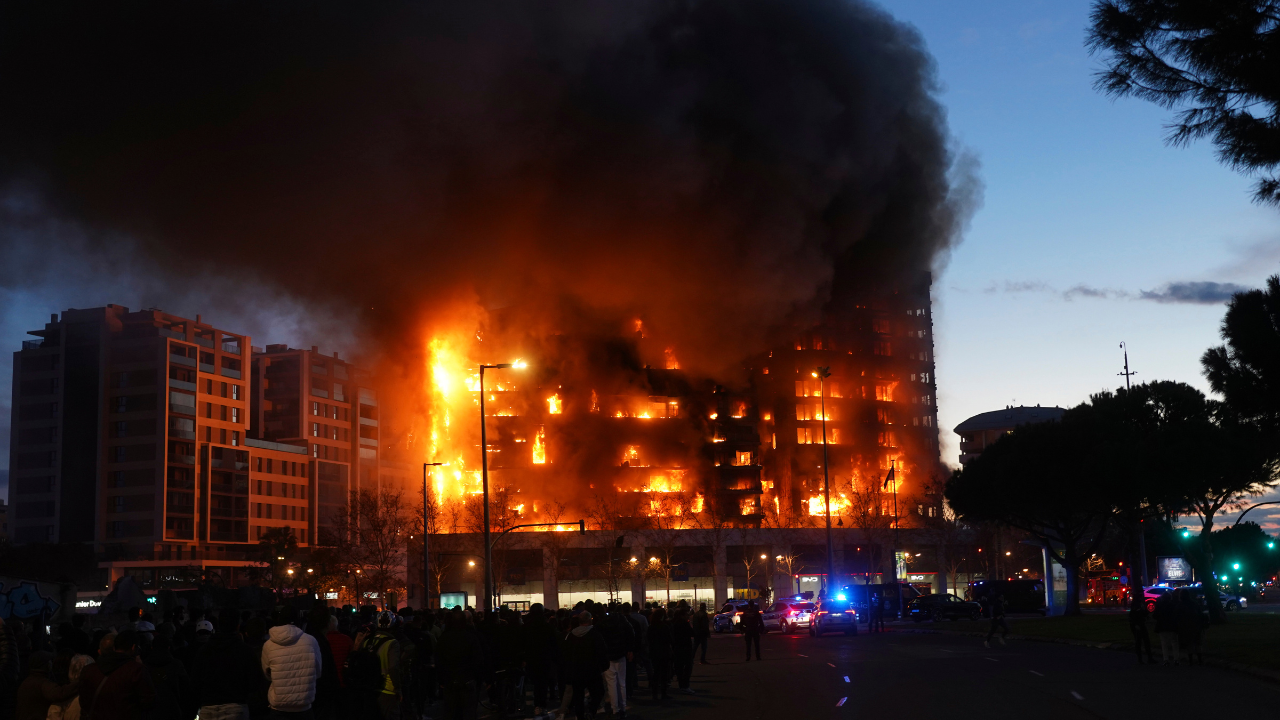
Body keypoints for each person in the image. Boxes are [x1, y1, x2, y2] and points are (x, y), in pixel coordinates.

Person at [193, 608, 263, 720]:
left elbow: (195, 681)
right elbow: (255, 682)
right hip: (236, 707)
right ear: (237, 626)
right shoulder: (245, 651)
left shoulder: (203, 651)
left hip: (207, 708)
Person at [260, 606, 323, 719]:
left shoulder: (268, 645)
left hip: (278, 706)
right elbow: (317, 672)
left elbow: (267, 675)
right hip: (304, 705)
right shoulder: (310, 641)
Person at [78, 630, 155, 720]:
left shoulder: (88, 670)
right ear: (134, 648)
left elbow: (83, 700)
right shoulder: (136, 670)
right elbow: (149, 701)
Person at [351, 611, 401, 720]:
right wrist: (397, 688)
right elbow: (393, 667)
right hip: (387, 689)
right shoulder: (392, 643)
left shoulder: (367, 640)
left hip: (369, 687)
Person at [435, 610, 481, 720]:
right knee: (468, 712)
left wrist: (441, 680)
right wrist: (478, 678)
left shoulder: (444, 638)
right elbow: (478, 660)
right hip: (467, 680)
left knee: (450, 712)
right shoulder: (471, 638)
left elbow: (439, 660)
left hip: (450, 681)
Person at [141, 633, 194, 720]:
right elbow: (186, 689)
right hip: (173, 710)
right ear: (169, 647)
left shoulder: (144, 666)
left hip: (150, 712)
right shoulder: (176, 665)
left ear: (152, 647)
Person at [565, 611, 608, 718]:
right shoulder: (594, 634)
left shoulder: (571, 635)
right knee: (598, 692)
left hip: (576, 670)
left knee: (578, 695)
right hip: (592, 670)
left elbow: (566, 653)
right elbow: (602, 652)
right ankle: (591, 710)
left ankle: (580, 716)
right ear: (589, 620)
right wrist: (604, 666)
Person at [15, 651, 77, 720]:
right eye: (50, 661)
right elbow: (60, 693)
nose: (52, 663)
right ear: (46, 664)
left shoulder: (28, 681)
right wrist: (79, 683)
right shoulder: (42, 683)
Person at [597, 606, 634, 719]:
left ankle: (615, 709)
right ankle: (622, 708)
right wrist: (629, 649)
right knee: (621, 683)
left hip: (608, 657)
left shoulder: (601, 623)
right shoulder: (622, 621)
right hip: (620, 654)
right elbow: (631, 633)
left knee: (611, 683)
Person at [520, 604, 557, 716]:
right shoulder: (547, 626)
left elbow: (522, 644)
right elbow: (554, 644)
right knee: (543, 683)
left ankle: (536, 705)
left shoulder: (526, 626)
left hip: (531, 659)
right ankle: (542, 705)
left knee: (535, 683)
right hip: (545, 658)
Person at [645, 609, 672, 701]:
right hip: (664, 652)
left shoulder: (651, 627)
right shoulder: (664, 627)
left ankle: (654, 694)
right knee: (664, 674)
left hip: (654, 652)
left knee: (656, 673)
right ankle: (663, 693)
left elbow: (648, 640)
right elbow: (669, 640)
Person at [670, 609, 694, 694]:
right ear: (682, 616)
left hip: (677, 647)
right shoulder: (685, 624)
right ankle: (685, 685)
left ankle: (681, 685)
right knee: (687, 667)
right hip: (685, 647)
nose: (688, 616)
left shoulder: (673, 624)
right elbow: (692, 633)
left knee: (679, 667)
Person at [1177, 590, 1205, 666]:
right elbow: (1200, 614)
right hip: (1196, 625)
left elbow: (1178, 617)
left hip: (1186, 627)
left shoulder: (1181, 605)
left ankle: (1191, 660)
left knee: (1189, 644)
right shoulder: (1194, 603)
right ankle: (1200, 660)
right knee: (1197, 643)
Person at [1153, 590, 1180, 666]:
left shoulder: (1160, 605)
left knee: (1164, 643)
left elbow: (1155, 615)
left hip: (1162, 626)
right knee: (1174, 643)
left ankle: (1166, 659)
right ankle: (1176, 659)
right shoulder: (1173, 605)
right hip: (1172, 626)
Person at [1128, 594, 1155, 664]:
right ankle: (1144, 659)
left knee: (1143, 641)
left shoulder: (1138, 603)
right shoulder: (1137, 604)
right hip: (1138, 624)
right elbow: (1134, 615)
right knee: (1141, 641)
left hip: (1139, 624)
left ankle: (1146, 658)